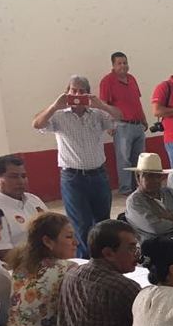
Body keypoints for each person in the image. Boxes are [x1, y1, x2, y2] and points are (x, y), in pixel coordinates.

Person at [32, 75, 122, 259]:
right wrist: (55, 106)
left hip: (98, 175)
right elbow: (37, 124)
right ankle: (84, 262)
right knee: (81, 225)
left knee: (103, 223)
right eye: (74, 90)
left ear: (88, 93)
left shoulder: (97, 114)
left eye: (82, 91)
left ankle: (104, 260)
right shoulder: (59, 116)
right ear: (67, 92)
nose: (77, 95)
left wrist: (101, 105)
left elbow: (119, 116)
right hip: (73, 177)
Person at [4, 212, 76, 326]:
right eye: (69, 237)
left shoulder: (20, 267)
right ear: (48, 241)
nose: (76, 242)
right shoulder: (67, 269)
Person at [124, 152, 173, 248]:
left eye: (158, 176)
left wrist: (171, 215)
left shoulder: (169, 192)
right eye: (150, 176)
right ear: (138, 177)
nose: (155, 180)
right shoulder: (134, 201)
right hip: (156, 248)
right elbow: (155, 228)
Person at [99, 52, 148, 195]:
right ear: (113, 65)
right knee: (124, 159)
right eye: (119, 63)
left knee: (140, 159)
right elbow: (103, 105)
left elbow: (137, 102)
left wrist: (144, 119)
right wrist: (109, 124)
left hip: (138, 125)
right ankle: (126, 189)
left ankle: (139, 187)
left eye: (125, 63)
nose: (123, 66)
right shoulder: (107, 81)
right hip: (122, 125)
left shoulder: (132, 79)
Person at [0, 156, 47, 260]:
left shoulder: (33, 199)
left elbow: (55, 228)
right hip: (21, 265)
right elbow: (3, 253)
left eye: (23, 176)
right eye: (14, 177)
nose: (21, 181)